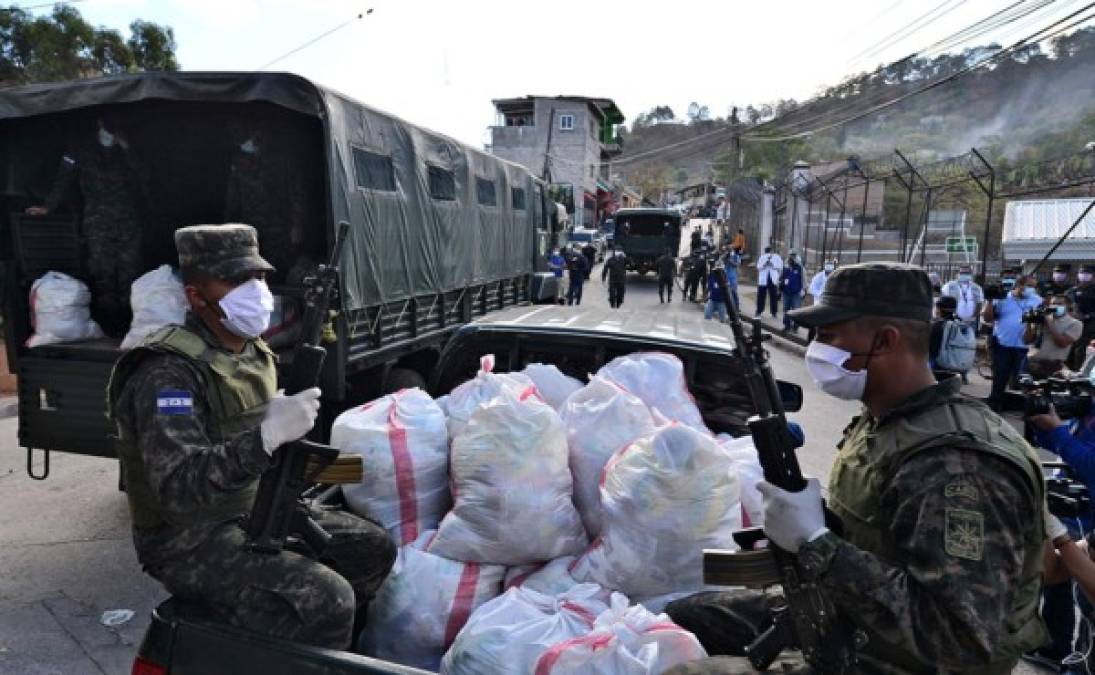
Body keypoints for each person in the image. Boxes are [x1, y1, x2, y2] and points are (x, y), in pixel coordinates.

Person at [667, 262, 1048, 674]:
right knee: (682, 616)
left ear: (885, 340)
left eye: (829, 336)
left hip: (896, 660)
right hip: (853, 612)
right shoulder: (890, 419)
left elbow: (959, 641)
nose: (818, 348)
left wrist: (816, 541)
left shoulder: (957, 467)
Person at [106, 224, 396, 650]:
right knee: (327, 600)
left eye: (258, 277)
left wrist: (287, 434)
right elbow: (180, 488)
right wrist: (265, 435)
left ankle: (327, 649)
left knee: (373, 548)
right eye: (237, 280)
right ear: (196, 296)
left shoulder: (252, 351)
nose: (255, 290)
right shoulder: (167, 375)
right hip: (188, 538)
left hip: (254, 504)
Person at [25, 117, 145, 334]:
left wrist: (127, 149)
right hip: (98, 223)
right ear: (99, 121)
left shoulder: (127, 148)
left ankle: (131, 327)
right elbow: (64, 178)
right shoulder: (80, 148)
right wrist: (48, 207)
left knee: (130, 274)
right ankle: (111, 328)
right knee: (103, 275)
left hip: (128, 223)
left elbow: (143, 179)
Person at [983, 273, 1042, 412]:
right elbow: (987, 318)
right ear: (1018, 285)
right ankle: (994, 406)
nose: (1031, 289)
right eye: (1028, 286)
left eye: (1033, 287)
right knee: (999, 378)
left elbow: (1039, 323)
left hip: (1023, 347)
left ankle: (1018, 407)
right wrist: (990, 301)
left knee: (1020, 380)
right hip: (1003, 344)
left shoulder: (1037, 300)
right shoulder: (1003, 298)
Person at [1024, 295, 1083, 379]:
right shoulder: (1042, 319)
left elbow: (1062, 343)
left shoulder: (1075, 323)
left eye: (1060, 304)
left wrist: (1050, 323)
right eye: (1053, 303)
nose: (1055, 306)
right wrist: (1029, 323)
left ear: (1068, 306)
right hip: (1030, 362)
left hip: (1052, 366)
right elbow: (1027, 340)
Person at [940, 264, 984, 329]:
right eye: (962, 273)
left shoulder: (977, 288)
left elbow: (979, 304)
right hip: (953, 321)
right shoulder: (949, 286)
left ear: (971, 274)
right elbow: (943, 301)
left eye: (967, 273)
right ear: (958, 274)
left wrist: (973, 318)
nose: (964, 275)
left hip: (971, 322)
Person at [1068, 264, 1095, 370]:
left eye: (1087, 273)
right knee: (1069, 351)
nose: (1084, 275)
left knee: (1081, 352)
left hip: (1089, 327)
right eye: (1082, 273)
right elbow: (1063, 305)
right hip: (1071, 326)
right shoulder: (1071, 291)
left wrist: (1087, 316)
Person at [754, 246, 782, 319]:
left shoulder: (777, 257)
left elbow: (780, 266)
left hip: (772, 279)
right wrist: (764, 264)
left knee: (773, 296)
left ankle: (774, 312)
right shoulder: (762, 257)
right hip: (763, 279)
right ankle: (759, 311)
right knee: (761, 296)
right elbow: (758, 267)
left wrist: (772, 264)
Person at [780, 251, 805, 333]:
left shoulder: (800, 267)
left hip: (796, 293)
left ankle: (795, 327)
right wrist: (781, 284)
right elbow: (780, 278)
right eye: (791, 255)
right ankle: (787, 326)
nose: (792, 257)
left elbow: (804, 280)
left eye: (794, 255)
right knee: (786, 310)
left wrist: (803, 289)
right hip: (786, 292)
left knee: (796, 310)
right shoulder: (785, 266)